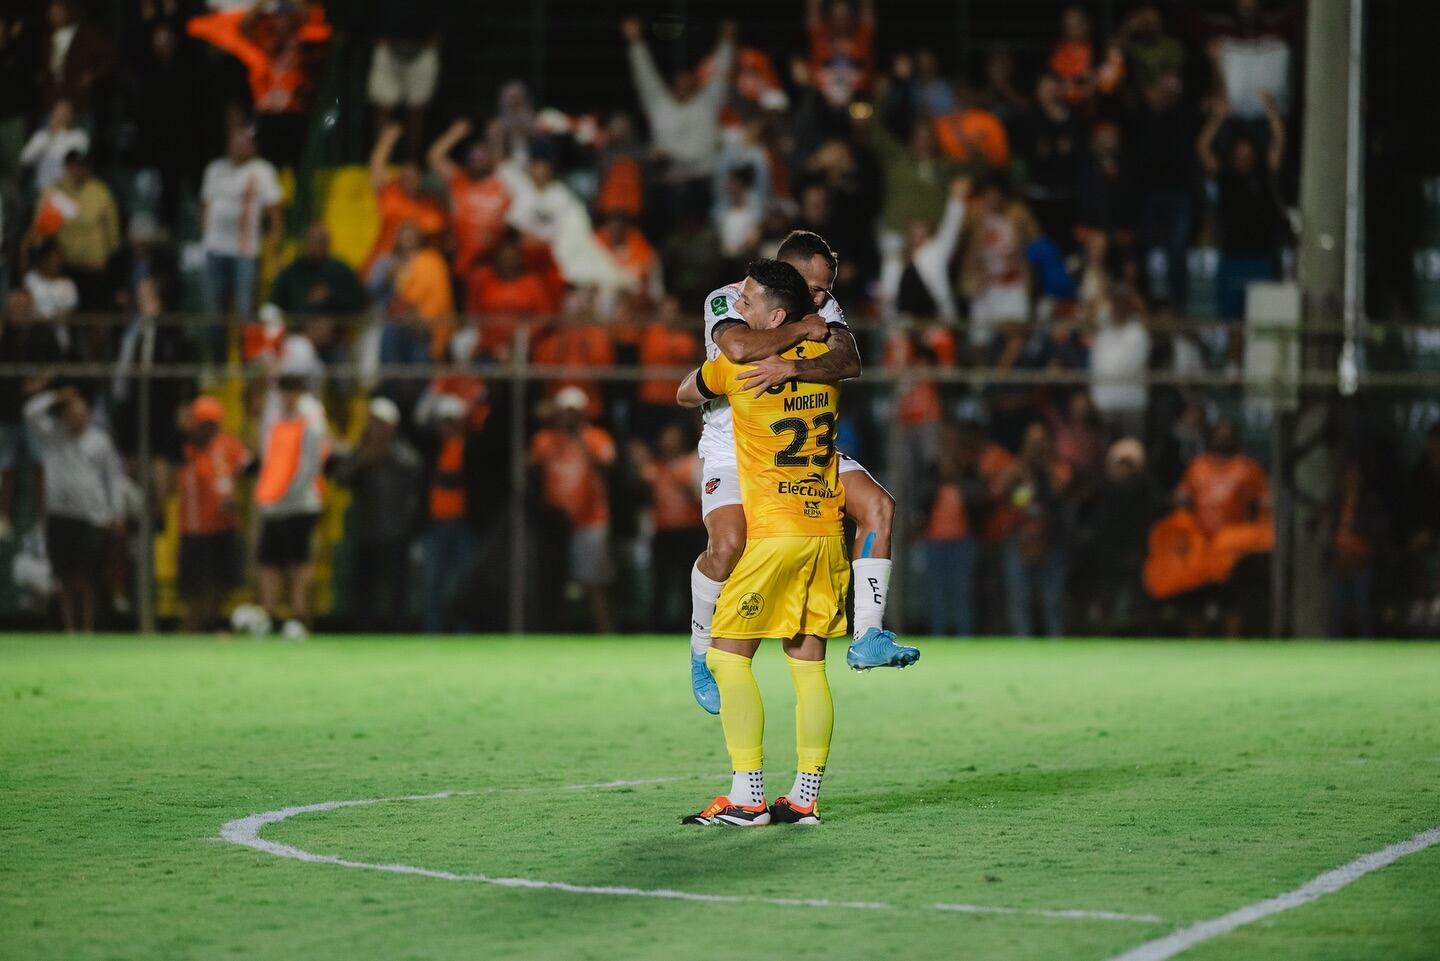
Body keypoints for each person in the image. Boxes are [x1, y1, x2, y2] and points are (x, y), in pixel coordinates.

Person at [686, 230, 912, 719]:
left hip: (801, 451)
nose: (822, 299)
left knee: (879, 506)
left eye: (826, 289)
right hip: (733, 450)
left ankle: (868, 633)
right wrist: (804, 333)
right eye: (813, 288)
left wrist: (791, 368)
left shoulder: (820, 309)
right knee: (726, 548)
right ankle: (701, 652)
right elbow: (741, 348)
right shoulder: (731, 299)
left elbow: (849, 360)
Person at [675, 258, 849, 827]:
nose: (736, 309)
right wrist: (803, 341)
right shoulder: (824, 370)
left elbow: (684, 392)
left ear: (776, 313)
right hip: (825, 531)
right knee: (808, 668)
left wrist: (727, 365)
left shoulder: (737, 367)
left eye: (747, 302)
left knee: (727, 660)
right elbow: (844, 359)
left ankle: (749, 795)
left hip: (772, 533)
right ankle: (804, 798)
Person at [24, 384, 127, 633]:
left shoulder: (99, 442)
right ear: (63, 415)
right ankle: (70, 629)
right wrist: (56, 397)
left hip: (91, 516)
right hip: (59, 514)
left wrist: (116, 512)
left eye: (82, 413)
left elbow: (113, 478)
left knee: (86, 578)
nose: (77, 418)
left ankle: (88, 627)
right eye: (72, 413)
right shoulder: (53, 436)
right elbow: (30, 412)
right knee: (65, 578)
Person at [621, 17, 735, 225]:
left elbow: (719, 78)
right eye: (678, 83)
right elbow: (645, 77)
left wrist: (727, 42)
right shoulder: (659, 105)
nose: (682, 86)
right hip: (667, 183)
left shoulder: (706, 104)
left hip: (702, 181)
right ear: (671, 85)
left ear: (694, 83)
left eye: (687, 82)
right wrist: (635, 42)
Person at [186, 3, 332, 165]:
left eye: (285, 18)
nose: (281, 23)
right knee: (266, 166)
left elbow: (308, 17)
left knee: (299, 163)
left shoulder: (304, 44)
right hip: (267, 119)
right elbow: (243, 27)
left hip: (296, 117)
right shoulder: (265, 42)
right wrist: (262, 4)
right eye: (277, 18)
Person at [528, 387, 617, 632]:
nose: (569, 417)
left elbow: (607, 464)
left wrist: (579, 439)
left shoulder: (596, 437)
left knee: (594, 583)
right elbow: (530, 469)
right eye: (565, 412)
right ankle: (554, 633)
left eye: (573, 412)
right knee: (553, 583)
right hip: (555, 524)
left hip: (591, 519)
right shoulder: (545, 440)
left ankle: (603, 633)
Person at [334, 397, 422, 632]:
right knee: (364, 589)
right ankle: (363, 630)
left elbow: (415, 474)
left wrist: (386, 454)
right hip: (366, 530)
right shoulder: (363, 452)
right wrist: (363, 460)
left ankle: (398, 631)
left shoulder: (401, 452)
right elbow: (341, 478)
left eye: (378, 422)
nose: (372, 427)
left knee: (397, 590)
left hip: (396, 531)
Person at [1198, 91, 1287, 324]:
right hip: (1231, 256)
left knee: (1260, 321)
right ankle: (1232, 362)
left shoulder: (1264, 175)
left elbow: (1278, 144)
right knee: (1231, 320)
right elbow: (1203, 149)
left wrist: (1272, 113)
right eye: (1239, 154)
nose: (1244, 158)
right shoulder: (1225, 177)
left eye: (1248, 154)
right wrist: (1217, 118)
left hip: (1260, 257)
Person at [253, 371, 329, 639]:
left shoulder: (311, 418)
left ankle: (298, 617)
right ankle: (271, 616)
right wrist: (268, 494)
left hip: (301, 503)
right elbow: (269, 458)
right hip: (274, 502)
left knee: (299, 562)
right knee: (269, 561)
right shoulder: (274, 418)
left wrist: (286, 492)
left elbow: (310, 465)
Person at [200, 128, 284, 363]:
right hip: (214, 250)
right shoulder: (215, 169)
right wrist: (206, 239)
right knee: (214, 311)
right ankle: (219, 364)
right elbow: (206, 207)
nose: (240, 147)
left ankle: (247, 364)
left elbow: (275, 213)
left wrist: (276, 249)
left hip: (245, 251)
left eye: (246, 143)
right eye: (236, 142)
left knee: (246, 311)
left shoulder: (263, 170)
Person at [174, 396, 251, 632]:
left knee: (223, 582)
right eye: (203, 423)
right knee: (194, 586)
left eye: (212, 424)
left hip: (222, 526)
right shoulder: (184, 448)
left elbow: (251, 466)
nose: (208, 429)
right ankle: (194, 625)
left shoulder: (228, 445)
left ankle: (211, 622)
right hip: (193, 528)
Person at [0, 289, 65, 542]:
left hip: (36, 412)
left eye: (22, 305)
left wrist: (40, 382)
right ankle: (3, 516)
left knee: (41, 466)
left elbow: (58, 363)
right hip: (6, 409)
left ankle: (43, 519)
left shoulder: (42, 332)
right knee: (6, 467)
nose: (18, 309)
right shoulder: (5, 333)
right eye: (13, 305)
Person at [998, 421, 1073, 637]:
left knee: (1053, 600)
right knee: (1019, 600)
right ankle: (1023, 648)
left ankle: (1056, 647)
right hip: (1019, 539)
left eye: (1040, 442)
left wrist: (1045, 464)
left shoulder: (1059, 466)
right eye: (1032, 442)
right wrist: (1024, 464)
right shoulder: (1017, 467)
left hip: (1052, 541)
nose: (1036, 447)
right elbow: (1000, 488)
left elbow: (1061, 488)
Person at [916, 422, 985, 637]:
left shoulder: (969, 471)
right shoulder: (932, 470)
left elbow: (980, 499)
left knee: (962, 593)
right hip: (935, 541)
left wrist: (956, 477)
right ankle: (939, 636)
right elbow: (920, 499)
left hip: (963, 541)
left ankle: (965, 636)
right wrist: (941, 479)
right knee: (937, 594)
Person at [34, 150, 119, 312]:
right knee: (64, 318)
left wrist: (107, 259)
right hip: (63, 269)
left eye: (82, 166)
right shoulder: (54, 191)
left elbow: (113, 233)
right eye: (73, 166)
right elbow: (42, 230)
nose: (78, 170)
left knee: (94, 316)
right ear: (66, 167)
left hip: (94, 268)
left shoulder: (101, 192)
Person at [427, 118, 510, 278]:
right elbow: (434, 156)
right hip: (460, 261)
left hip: (493, 264)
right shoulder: (459, 179)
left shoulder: (499, 180)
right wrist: (455, 134)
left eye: (482, 156)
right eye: (474, 156)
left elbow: (499, 161)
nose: (478, 160)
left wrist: (496, 138)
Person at [365, 122, 447, 280]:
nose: (410, 181)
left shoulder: (432, 204)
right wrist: (387, 139)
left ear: (421, 178)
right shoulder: (390, 193)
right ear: (400, 178)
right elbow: (376, 164)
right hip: (382, 264)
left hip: (419, 273)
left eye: (414, 177)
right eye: (405, 177)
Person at [645, 422, 705, 631]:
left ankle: (691, 627)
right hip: (663, 531)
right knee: (660, 581)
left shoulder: (693, 462)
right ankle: (655, 626)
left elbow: (701, 498)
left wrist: (681, 482)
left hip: (690, 530)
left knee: (689, 583)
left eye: (673, 435)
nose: (668, 440)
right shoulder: (655, 466)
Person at [367, 0, 445, 158]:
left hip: (423, 45)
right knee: (383, 103)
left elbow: (446, 10)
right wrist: (373, 33)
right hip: (389, 44)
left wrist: (439, 34)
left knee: (417, 108)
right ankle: (382, 158)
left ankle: (412, 161)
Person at [806, 0, 876, 112]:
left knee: (817, 34)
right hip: (853, 34)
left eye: (834, 93)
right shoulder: (861, 82)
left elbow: (814, 30)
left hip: (829, 35)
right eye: (843, 93)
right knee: (865, 35)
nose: (839, 87)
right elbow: (867, 28)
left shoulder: (818, 81)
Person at [19, 98, 87, 192]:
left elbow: (75, 160)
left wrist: (59, 134)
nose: (61, 117)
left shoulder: (79, 136)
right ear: (51, 115)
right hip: (44, 188)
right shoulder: (41, 136)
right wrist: (49, 136)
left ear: (72, 115)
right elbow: (25, 159)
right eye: (58, 113)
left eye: (65, 113)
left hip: (69, 189)